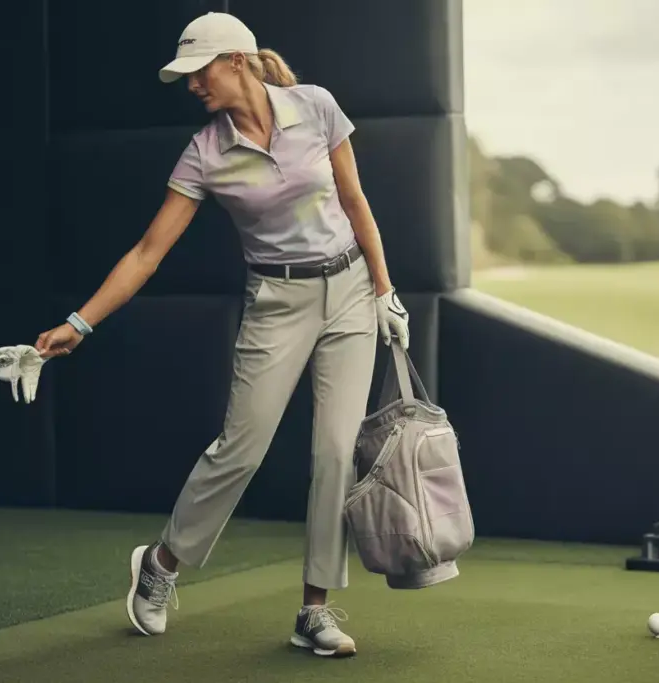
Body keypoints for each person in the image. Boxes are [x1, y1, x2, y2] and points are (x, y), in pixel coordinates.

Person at [34, 11, 410, 658]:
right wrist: (80, 322)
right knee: (241, 449)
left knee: (334, 453)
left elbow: (355, 202)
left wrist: (383, 288)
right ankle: (161, 562)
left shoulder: (316, 107)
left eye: (199, 70)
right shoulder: (204, 152)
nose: (191, 84)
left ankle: (314, 610)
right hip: (276, 303)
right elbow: (148, 252)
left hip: (350, 291)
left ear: (236, 61)